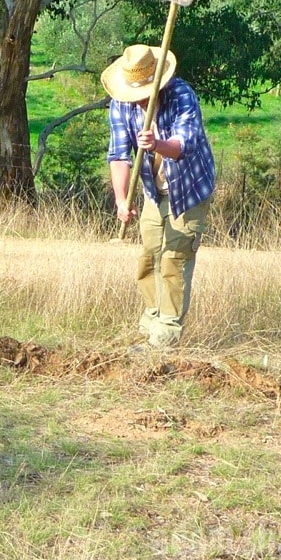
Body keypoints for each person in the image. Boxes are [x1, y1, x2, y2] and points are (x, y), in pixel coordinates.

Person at [101, 44, 215, 349]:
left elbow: (183, 146)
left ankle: (166, 332)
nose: (137, 99)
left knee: (174, 259)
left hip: (189, 187)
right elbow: (118, 155)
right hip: (154, 190)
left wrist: (157, 144)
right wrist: (121, 199)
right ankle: (151, 319)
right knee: (149, 255)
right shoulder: (120, 104)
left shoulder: (181, 95)